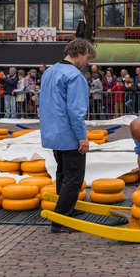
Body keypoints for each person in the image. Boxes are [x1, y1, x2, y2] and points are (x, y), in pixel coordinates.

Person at [39, 38, 95, 233]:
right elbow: (75, 111)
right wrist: (82, 137)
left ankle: (66, 211)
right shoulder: (75, 76)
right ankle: (61, 219)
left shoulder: (49, 72)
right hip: (69, 134)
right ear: (79, 53)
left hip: (52, 133)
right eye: (87, 58)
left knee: (62, 173)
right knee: (74, 177)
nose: (87, 63)